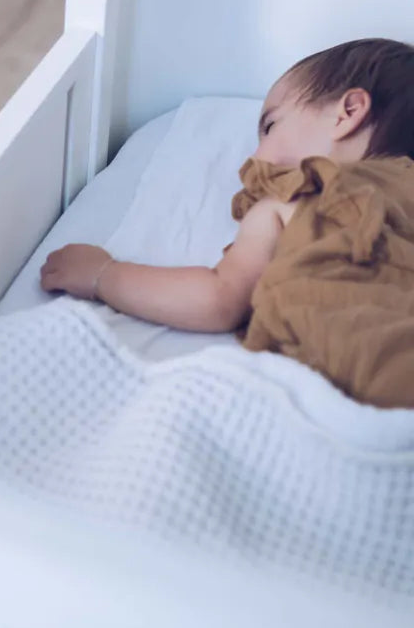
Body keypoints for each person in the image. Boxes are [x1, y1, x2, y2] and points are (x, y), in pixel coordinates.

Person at [40, 39, 414, 408]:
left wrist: (102, 275)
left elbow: (219, 299)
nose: (255, 154)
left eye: (270, 126)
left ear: (347, 112)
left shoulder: (293, 197)